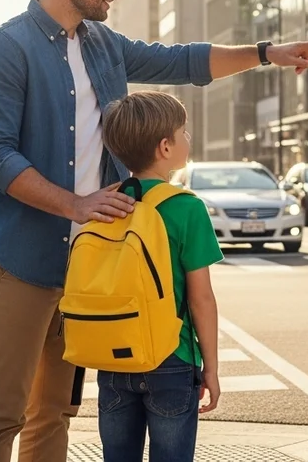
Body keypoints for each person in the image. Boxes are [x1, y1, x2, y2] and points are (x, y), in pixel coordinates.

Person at [0, 0, 308, 462]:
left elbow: (182, 61)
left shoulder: (104, 46)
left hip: (89, 263)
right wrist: (76, 204)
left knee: (54, 411)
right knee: (1, 411)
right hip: (18, 255)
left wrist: (265, 53)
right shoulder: (4, 48)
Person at [96, 90, 223, 461]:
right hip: (172, 356)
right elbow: (201, 298)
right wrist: (210, 370)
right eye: (184, 133)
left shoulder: (107, 201)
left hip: (113, 356)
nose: (189, 139)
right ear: (165, 147)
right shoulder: (186, 208)